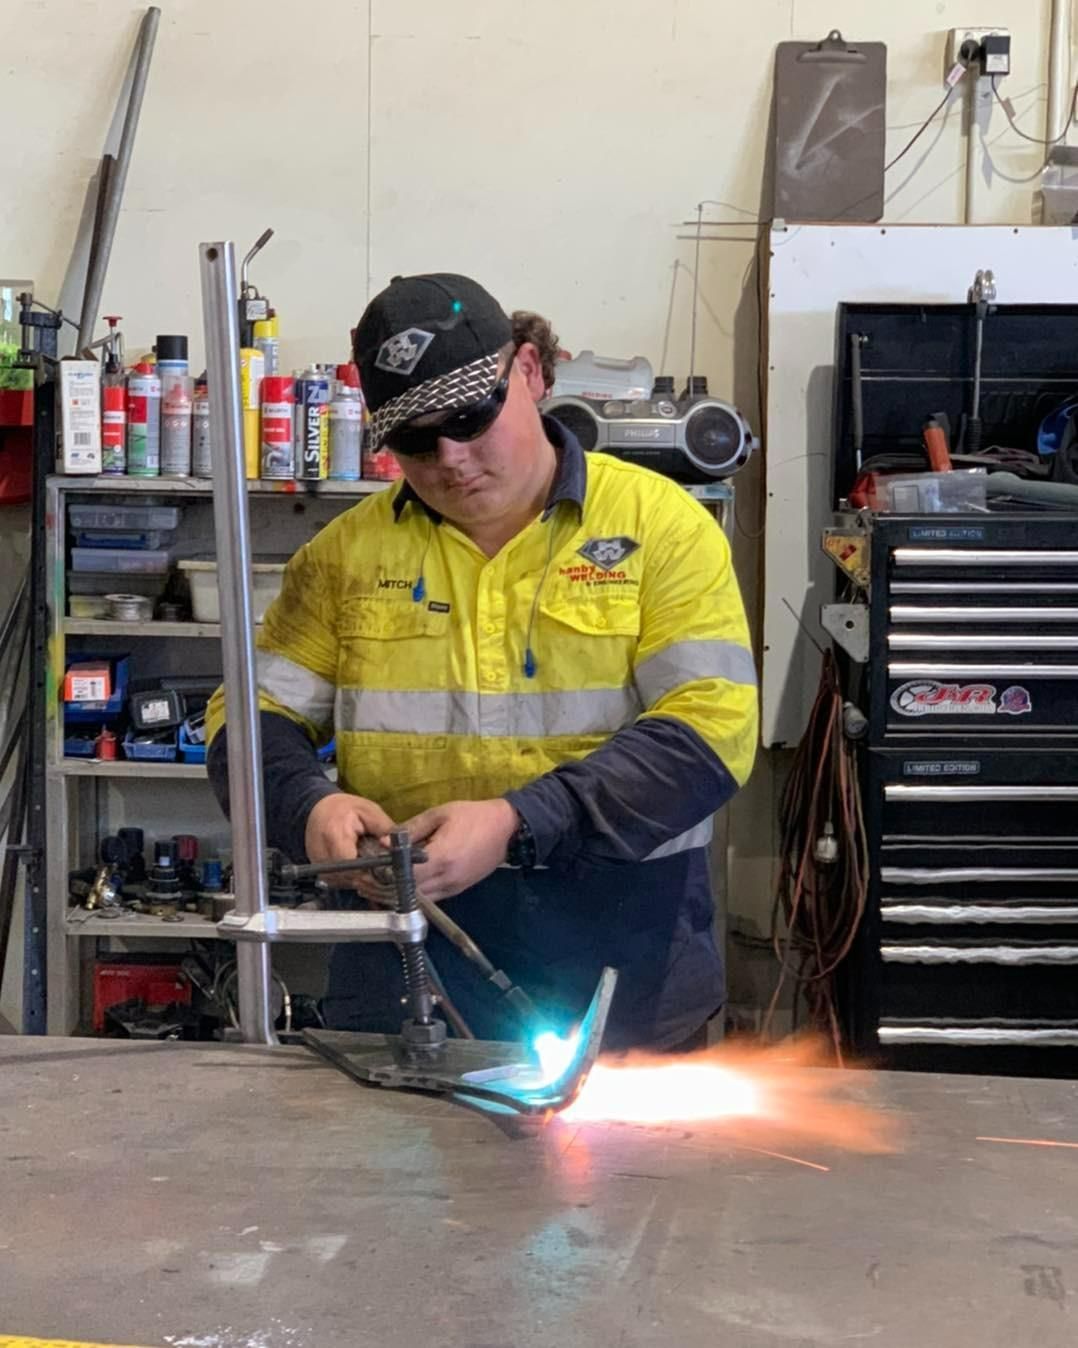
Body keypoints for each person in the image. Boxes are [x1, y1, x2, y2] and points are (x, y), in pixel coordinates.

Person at [206, 272, 758, 1050]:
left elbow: (712, 733)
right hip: (406, 966)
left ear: (528, 370)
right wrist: (308, 807)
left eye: (470, 418)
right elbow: (246, 720)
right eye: (414, 440)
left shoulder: (661, 528)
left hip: (624, 955)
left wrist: (515, 822)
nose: (452, 459)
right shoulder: (345, 555)